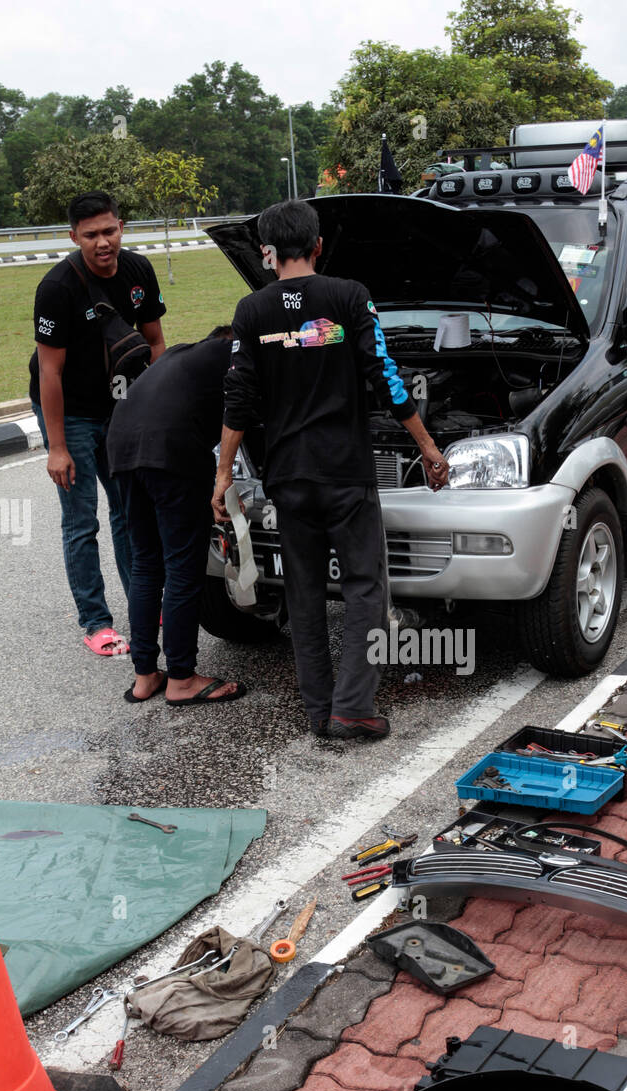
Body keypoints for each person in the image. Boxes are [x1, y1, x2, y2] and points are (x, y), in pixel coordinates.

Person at [214, 199, 448, 741]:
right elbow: (386, 378)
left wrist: (223, 475)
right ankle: (353, 708)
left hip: (288, 477)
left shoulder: (251, 312)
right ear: (318, 246)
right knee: (367, 587)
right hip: (346, 474)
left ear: (268, 253)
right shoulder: (350, 296)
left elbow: (238, 399)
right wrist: (428, 446)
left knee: (304, 592)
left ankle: (320, 711)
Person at [30, 191, 166, 657]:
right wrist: (57, 447)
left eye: (109, 231)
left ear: (121, 227)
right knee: (80, 519)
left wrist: (159, 408)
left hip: (120, 406)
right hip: (68, 410)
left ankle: (142, 602)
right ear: (74, 237)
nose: (102, 242)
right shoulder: (57, 288)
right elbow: (49, 372)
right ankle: (96, 622)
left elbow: (155, 343)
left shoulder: (139, 270)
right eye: (91, 235)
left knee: (130, 511)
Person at [106, 328, 247, 707]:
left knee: (147, 565)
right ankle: (182, 678)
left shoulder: (183, 357)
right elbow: (244, 412)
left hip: (120, 446)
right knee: (183, 566)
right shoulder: (234, 350)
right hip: (170, 449)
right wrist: (226, 487)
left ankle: (145, 676)